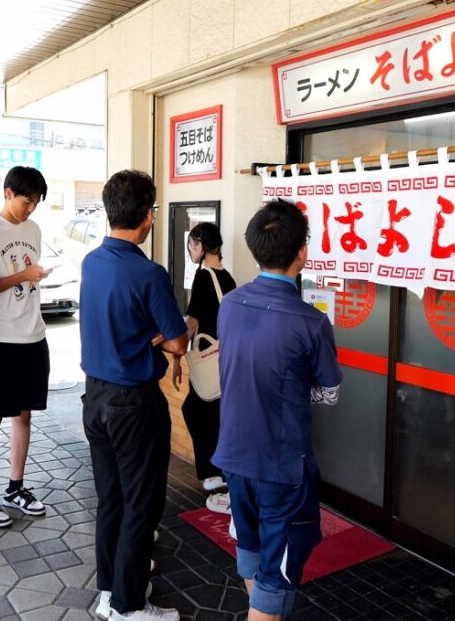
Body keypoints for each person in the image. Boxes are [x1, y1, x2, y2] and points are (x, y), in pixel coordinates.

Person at [212, 199, 343, 621]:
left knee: (251, 550)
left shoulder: (229, 304)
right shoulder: (310, 322)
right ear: (302, 252)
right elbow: (329, 393)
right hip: (281, 467)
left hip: (234, 456)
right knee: (277, 574)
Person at [82, 170, 187, 621]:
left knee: (113, 499)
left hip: (95, 400)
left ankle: (110, 591)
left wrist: (151, 335)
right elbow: (179, 341)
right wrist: (159, 339)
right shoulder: (149, 272)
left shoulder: (91, 262)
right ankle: (128, 606)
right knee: (142, 503)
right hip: (134, 403)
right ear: (148, 216)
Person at [0, 166, 52, 527]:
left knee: (25, 415)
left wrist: (32, 276)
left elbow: (27, 274)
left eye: (35, 202)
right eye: (25, 200)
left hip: (33, 334)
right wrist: (23, 276)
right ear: (7, 193)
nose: (30, 208)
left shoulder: (33, 229)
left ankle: (15, 486)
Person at [170, 222, 235, 514]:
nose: (191, 251)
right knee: (213, 417)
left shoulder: (203, 277)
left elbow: (193, 322)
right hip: (227, 360)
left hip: (209, 362)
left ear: (200, 245)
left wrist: (175, 351)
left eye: (192, 246)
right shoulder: (228, 278)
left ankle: (217, 482)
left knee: (196, 411)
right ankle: (220, 481)